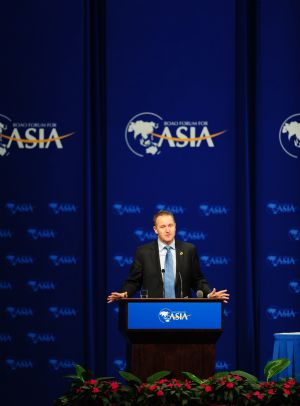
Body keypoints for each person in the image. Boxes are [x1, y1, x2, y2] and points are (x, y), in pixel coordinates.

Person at [107, 210, 229, 303]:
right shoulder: (143, 252)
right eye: (163, 226)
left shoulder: (188, 250)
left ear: (175, 226)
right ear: (155, 230)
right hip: (153, 311)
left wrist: (209, 294)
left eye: (170, 225)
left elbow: (197, 280)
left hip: (183, 311)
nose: (167, 230)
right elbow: (134, 281)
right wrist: (124, 293)